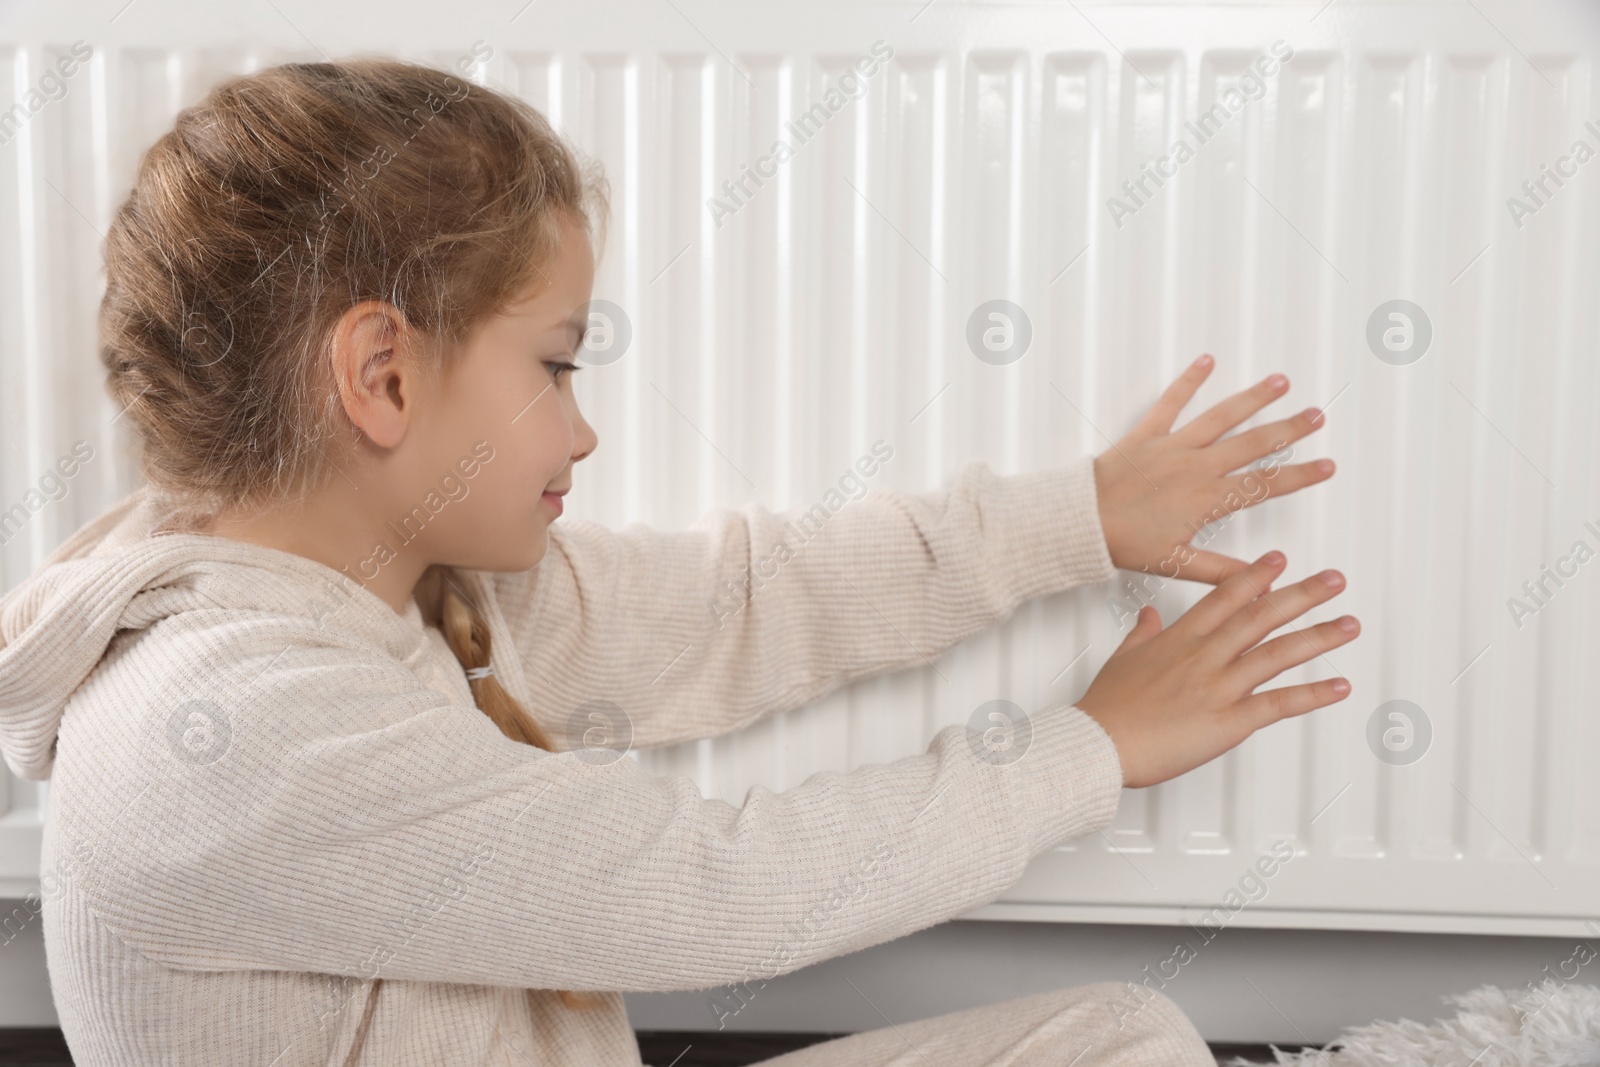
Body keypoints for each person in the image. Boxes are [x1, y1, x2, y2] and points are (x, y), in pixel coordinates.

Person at [0, 58, 1357, 1066]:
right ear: (381, 375)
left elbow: (741, 606)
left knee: (1121, 1038)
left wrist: (1077, 515)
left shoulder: (404, 586)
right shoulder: (232, 738)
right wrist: (1093, 751)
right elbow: (724, 888)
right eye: (556, 362)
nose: (582, 426)